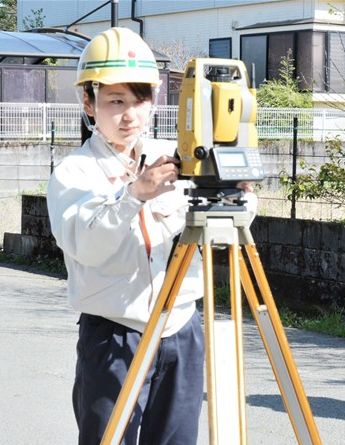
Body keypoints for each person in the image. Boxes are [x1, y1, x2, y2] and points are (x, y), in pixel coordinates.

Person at [47, 27, 205, 445]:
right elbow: (87, 245)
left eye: (140, 100)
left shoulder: (175, 156)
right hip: (116, 331)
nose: (130, 115)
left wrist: (236, 193)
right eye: (116, 102)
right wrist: (133, 195)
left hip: (182, 328)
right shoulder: (73, 174)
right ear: (89, 102)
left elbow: (218, 227)